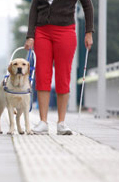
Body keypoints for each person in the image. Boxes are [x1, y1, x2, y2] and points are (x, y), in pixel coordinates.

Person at [24, 0, 94, 135]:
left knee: (63, 76)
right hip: (41, 32)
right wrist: (30, 35)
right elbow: (34, 8)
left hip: (65, 31)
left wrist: (89, 32)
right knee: (42, 74)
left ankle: (61, 123)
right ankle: (43, 122)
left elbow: (87, 5)